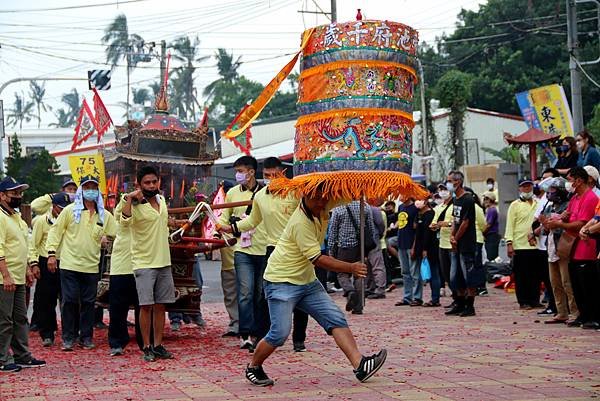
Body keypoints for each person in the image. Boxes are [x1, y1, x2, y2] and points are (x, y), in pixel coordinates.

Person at [245, 187, 387, 386]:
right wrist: (351, 267)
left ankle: (360, 365)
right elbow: (318, 259)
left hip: (307, 282)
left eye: (324, 199)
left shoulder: (323, 204)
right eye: (316, 199)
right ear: (304, 197)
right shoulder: (299, 223)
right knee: (279, 333)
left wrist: (360, 189)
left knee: (335, 318)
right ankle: (253, 367)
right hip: (281, 282)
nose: (321, 203)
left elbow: (347, 196)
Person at [219, 157, 307, 350]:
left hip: (296, 250)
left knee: (301, 293)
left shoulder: (295, 192)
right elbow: (251, 221)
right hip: (270, 249)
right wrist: (230, 228)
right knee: (262, 294)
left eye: (273, 175)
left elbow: (306, 218)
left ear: (282, 173)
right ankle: (259, 335)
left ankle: (299, 338)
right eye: (266, 175)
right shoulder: (260, 195)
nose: (269, 179)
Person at [46, 176, 117, 351]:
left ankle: (86, 337)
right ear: (81, 190)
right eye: (87, 187)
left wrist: (107, 239)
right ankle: (68, 337)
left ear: (98, 191)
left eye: (94, 187)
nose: (90, 190)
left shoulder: (104, 215)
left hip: (91, 266)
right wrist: (51, 254)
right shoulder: (70, 211)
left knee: (88, 302)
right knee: (69, 301)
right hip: (69, 264)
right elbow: (56, 231)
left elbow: (116, 233)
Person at [121, 165, 176, 362]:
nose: (151, 185)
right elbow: (124, 223)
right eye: (147, 182)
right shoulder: (132, 202)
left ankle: (158, 344)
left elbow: (163, 225)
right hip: (143, 261)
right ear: (139, 184)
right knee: (145, 306)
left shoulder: (162, 201)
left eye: (154, 181)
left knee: (161, 305)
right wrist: (129, 199)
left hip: (164, 260)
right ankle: (146, 346)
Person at [217, 156, 268, 351]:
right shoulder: (231, 193)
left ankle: (258, 331)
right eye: (236, 171)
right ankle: (245, 333)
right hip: (242, 249)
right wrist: (218, 229)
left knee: (259, 293)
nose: (238, 174)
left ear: (252, 172)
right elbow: (224, 216)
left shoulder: (265, 193)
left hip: (263, 247)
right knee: (245, 292)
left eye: (241, 170)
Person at [0, 177, 46, 372]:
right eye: (14, 193)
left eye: (20, 193)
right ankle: (3, 358)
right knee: (4, 320)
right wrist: (6, 275)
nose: (18, 196)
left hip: (18, 276)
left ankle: (23, 355)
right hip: (5, 279)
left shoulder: (15, 216)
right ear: (2, 195)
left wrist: (27, 268)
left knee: (20, 318)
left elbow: (23, 245)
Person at [548, 167, 598, 329]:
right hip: (572, 247)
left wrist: (560, 224)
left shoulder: (590, 198)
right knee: (575, 283)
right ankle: (582, 315)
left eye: (570, 180)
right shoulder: (575, 197)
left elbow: (581, 223)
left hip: (586, 246)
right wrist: (560, 218)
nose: (568, 183)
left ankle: (592, 316)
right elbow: (569, 215)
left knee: (588, 285)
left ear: (579, 180)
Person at [28, 192, 71, 347]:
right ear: (53, 207)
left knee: (68, 299)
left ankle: (69, 333)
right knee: (46, 300)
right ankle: (47, 333)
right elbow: (33, 244)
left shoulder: (70, 219)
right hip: (46, 261)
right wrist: (34, 263)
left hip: (66, 261)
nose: (63, 211)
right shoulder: (41, 221)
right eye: (60, 208)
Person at [539, 178, 579, 324]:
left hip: (563, 246)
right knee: (555, 283)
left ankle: (575, 312)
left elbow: (567, 225)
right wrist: (545, 224)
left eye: (552, 190)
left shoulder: (567, 206)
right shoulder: (549, 207)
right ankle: (561, 312)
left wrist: (556, 223)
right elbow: (545, 229)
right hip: (551, 247)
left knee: (567, 282)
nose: (549, 194)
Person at [328, 200, 378, 314]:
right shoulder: (365, 207)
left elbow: (333, 231)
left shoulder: (338, 208)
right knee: (359, 274)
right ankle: (358, 307)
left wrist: (331, 250)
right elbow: (370, 228)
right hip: (360, 247)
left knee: (342, 273)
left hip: (344, 247)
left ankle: (350, 291)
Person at [107, 194, 143, 356]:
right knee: (117, 309)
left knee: (142, 308)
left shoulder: (146, 214)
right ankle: (117, 342)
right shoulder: (120, 216)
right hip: (121, 267)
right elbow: (123, 213)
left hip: (141, 266)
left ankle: (145, 341)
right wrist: (129, 198)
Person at [504, 179, 541, 309]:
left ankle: (535, 300)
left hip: (536, 244)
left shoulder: (538, 203)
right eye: (523, 187)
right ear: (519, 188)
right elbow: (509, 225)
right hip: (520, 245)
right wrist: (509, 243)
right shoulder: (515, 205)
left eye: (528, 186)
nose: (526, 189)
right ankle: (523, 300)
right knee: (522, 275)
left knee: (535, 275)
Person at [446, 171, 479, 317]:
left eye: (449, 181)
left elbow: (465, 222)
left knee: (469, 275)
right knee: (455, 276)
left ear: (457, 182)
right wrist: (452, 236)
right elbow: (455, 219)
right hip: (456, 244)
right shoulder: (456, 199)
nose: (447, 184)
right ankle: (459, 302)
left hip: (466, 243)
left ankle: (469, 305)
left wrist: (457, 238)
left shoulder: (468, 199)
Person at [431, 183, 455, 306]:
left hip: (452, 243)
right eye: (440, 190)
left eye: (444, 190)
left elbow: (458, 221)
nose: (442, 192)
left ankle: (460, 297)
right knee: (445, 272)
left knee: (454, 273)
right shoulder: (439, 207)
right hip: (442, 243)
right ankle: (455, 298)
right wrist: (434, 226)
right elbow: (435, 222)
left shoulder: (455, 206)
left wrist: (446, 224)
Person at [414, 198, 441, 306]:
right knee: (429, 273)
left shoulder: (431, 214)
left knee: (434, 273)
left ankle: (435, 299)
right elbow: (417, 229)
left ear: (425, 202)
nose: (417, 202)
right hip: (421, 247)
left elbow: (428, 234)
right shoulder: (420, 214)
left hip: (430, 248)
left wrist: (425, 249)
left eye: (420, 199)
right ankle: (433, 298)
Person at [394, 197, 420, 306]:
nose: (401, 197)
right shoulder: (400, 207)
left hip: (411, 243)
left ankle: (417, 297)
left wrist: (415, 245)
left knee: (414, 272)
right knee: (405, 272)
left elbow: (417, 229)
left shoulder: (415, 208)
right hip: (401, 243)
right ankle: (407, 296)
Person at [482, 191, 500, 261]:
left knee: (491, 256)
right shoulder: (489, 209)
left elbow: (488, 224)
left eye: (486, 199)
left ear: (490, 199)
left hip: (491, 236)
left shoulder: (491, 210)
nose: (484, 201)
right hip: (491, 235)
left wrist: (482, 232)